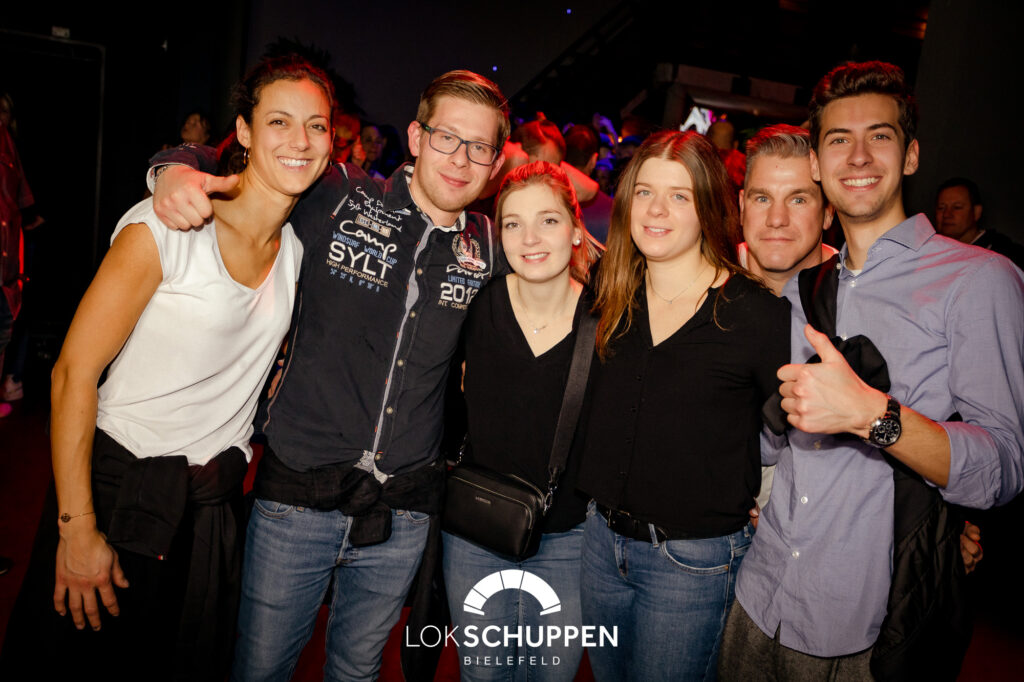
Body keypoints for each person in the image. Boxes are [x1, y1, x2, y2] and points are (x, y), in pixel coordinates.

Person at [148, 69, 510, 681]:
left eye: (480, 147)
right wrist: (173, 169)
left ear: (496, 163)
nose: (460, 159)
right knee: (259, 669)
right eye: (447, 137)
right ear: (417, 137)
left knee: (357, 672)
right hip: (297, 500)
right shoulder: (340, 195)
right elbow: (248, 160)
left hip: (402, 512)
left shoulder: (491, 247)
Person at [0, 54, 333, 681]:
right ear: (243, 130)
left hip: (208, 510)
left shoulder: (293, 251)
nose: (300, 140)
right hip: (116, 493)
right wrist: (76, 529)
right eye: (280, 121)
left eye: (316, 126)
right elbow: (72, 374)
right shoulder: (168, 225)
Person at [719, 61, 1024, 681]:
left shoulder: (977, 279)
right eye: (839, 139)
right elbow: (774, 444)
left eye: (879, 136)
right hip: (758, 596)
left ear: (910, 155)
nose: (858, 156)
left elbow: (1004, 465)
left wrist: (874, 417)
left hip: (861, 627)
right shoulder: (804, 289)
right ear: (818, 163)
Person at [577, 130, 791, 681]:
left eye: (679, 195)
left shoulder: (755, 314)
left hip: (692, 562)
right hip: (599, 544)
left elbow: (804, 433)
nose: (656, 210)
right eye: (645, 192)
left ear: (708, 207)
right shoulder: (610, 289)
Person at [737, 123, 983, 571]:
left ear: (828, 213)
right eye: (761, 198)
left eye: (799, 199)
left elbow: (925, 428)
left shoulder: (864, 299)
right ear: (741, 205)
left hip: (830, 563)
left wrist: (938, 526)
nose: (777, 219)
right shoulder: (708, 285)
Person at [444, 161, 599, 681]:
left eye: (548, 221)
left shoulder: (606, 320)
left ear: (576, 230)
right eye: (513, 224)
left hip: (568, 542)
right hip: (475, 532)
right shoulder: (475, 305)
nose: (530, 238)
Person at [935, 176, 1024, 269]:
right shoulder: (932, 253)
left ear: (976, 212)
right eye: (941, 208)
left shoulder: (1004, 253)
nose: (947, 214)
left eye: (957, 207)